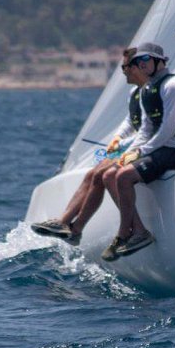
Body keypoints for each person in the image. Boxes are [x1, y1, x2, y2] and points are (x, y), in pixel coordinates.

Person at [31, 46, 149, 245]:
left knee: (99, 175)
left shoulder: (151, 91)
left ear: (136, 67)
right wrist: (117, 138)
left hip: (143, 148)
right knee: (91, 174)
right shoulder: (134, 93)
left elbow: (148, 128)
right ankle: (65, 222)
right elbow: (131, 121)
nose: (124, 72)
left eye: (125, 67)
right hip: (132, 146)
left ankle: (76, 229)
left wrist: (127, 149)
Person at [101, 42, 175, 261]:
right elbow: (146, 128)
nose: (141, 66)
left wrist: (141, 151)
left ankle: (126, 234)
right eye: (138, 62)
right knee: (109, 175)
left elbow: (168, 129)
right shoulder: (146, 89)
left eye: (145, 60)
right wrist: (132, 151)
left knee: (124, 176)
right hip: (159, 149)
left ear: (159, 61)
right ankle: (139, 231)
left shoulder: (172, 85)